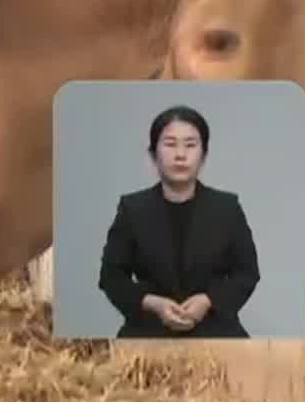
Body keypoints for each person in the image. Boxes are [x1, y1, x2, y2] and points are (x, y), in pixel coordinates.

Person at [97, 104, 261, 338]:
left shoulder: (227, 208)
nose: (181, 155)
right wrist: (152, 303)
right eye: (170, 144)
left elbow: (247, 273)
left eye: (191, 145)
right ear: (153, 154)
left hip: (217, 331)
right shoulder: (132, 209)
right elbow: (111, 276)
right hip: (147, 331)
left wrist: (209, 300)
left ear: (203, 155)